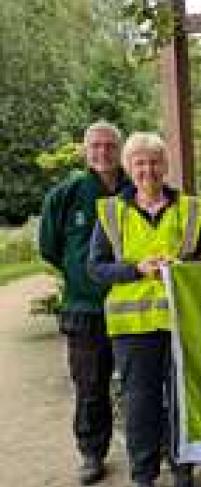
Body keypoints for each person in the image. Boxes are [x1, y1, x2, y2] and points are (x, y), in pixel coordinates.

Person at [88, 132, 201, 487]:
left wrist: (187, 263)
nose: (147, 169)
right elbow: (95, 268)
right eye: (139, 162)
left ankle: (183, 468)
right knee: (141, 405)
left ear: (166, 165)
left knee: (182, 400)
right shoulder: (111, 212)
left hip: (181, 321)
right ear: (128, 167)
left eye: (154, 161)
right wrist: (136, 269)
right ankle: (144, 474)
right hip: (133, 327)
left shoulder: (191, 209)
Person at [38, 121, 127, 485]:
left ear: (119, 149)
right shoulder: (65, 195)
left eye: (109, 145)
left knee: (142, 383)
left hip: (134, 302)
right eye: (96, 146)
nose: (103, 152)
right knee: (90, 385)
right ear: (84, 150)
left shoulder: (134, 187)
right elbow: (50, 248)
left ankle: (150, 447)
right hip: (85, 308)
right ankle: (92, 452)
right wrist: (82, 275)